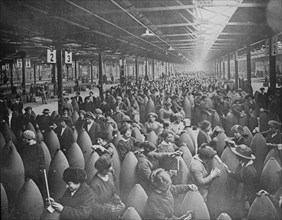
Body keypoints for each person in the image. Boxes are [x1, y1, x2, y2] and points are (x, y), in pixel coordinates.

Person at [225, 144, 258, 219]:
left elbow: (250, 188)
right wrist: (229, 172)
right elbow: (240, 177)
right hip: (240, 194)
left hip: (244, 196)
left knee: (242, 213)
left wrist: (247, 201)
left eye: (238, 155)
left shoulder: (250, 170)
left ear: (242, 157)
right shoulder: (243, 164)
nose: (236, 156)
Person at [89, 154, 125, 220]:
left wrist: (119, 201)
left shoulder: (110, 176)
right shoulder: (94, 185)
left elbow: (113, 193)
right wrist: (109, 209)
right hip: (101, 216)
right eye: (110, 166)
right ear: (104, 170)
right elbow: (93, 205)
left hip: (111, 214)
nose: (112, 168)